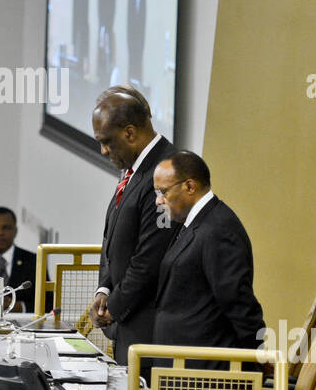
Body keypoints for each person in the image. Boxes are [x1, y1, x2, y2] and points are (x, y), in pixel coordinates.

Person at [89, 85, 175, 367]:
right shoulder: (133, 168)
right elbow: (112, 237)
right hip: (128, 324)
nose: (103, 150)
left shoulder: (165, 171)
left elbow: (150, 259)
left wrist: (114, 307)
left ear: (129, 132)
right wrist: (104, 289)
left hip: (148, 331)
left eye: (107, 141)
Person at [151, 152, 264, 357]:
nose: (158, 201)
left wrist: (257, 354)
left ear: (190, 186)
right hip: (181, 364)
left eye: (163, 192)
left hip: (203, 372)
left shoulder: (218, 229)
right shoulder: (195, 223)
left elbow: (239, 303)